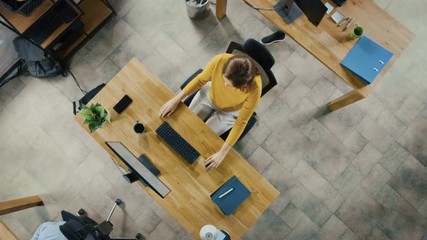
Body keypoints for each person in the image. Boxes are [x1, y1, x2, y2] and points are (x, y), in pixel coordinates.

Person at [159, 53, 261, 169]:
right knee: (184, 127)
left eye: (230, 85)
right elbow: (199, 80)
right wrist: (176, 99)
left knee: (200, 142)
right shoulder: (220, 60)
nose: (225, 85)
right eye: (224, 80)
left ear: (243, 85)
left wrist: (222, 153)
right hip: (209, 96)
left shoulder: (255, 89)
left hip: (229, 112)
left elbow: (241, 122)